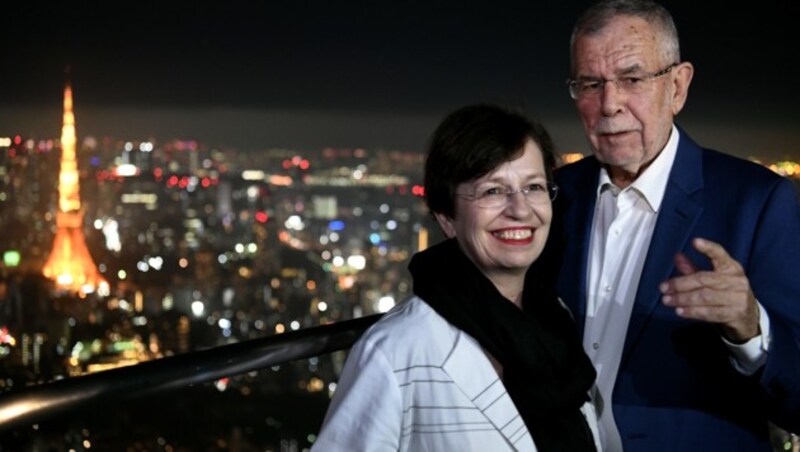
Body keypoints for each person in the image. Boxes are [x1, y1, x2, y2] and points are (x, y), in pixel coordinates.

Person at [550, 0, 800, 451]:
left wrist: (751, 327)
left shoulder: (757, 203)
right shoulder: (552, 196)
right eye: (590, 83)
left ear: (678, 86)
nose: (610, 104)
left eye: (631, 79)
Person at [312, 104, 601, 451]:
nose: (520, 209)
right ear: (447, 217)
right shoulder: (395, 351)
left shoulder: (556, 321)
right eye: (493, 191)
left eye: (534, 187)